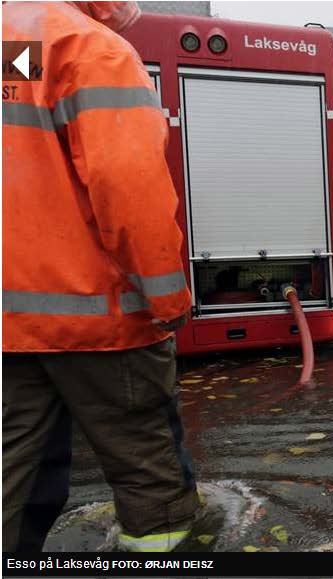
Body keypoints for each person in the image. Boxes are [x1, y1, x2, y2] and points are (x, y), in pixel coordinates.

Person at [3, 1, 199, 552]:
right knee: (147, 474)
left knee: (12, 473)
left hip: (7, 329)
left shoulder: (14, 46)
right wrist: (167, 297)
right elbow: (127, 187)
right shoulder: (86, 47)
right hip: (99, 320)